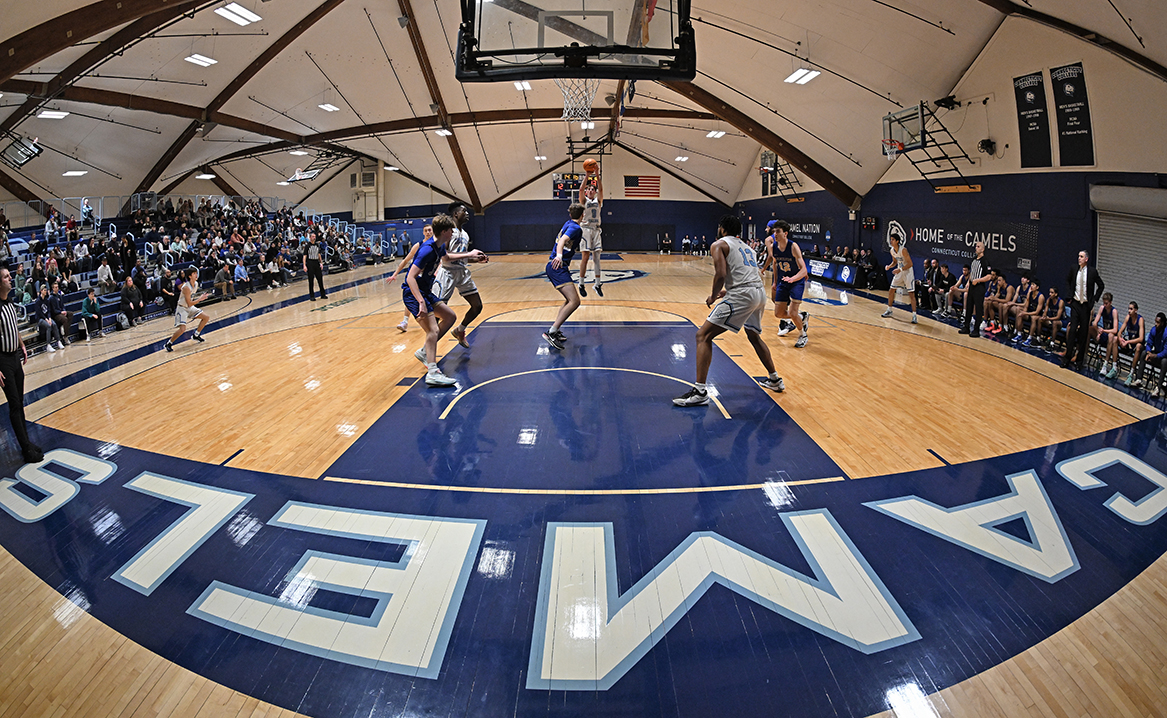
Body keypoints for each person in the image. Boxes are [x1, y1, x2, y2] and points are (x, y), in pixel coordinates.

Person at [674, 215, 784, 406]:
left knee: (703, 336)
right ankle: (774, 379)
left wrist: (713, 295)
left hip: (744, 295)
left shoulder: (719, 244)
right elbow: (748, 274)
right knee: (754, 336)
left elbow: (721, 274)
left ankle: (700, 391)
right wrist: (726, 292)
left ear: (722, 228)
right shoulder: (747, 248)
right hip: (759, 293)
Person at [403, 214, 462, 387]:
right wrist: (420, 301)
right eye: (451, 230)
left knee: (450, 316)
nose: (452, 233)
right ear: (444, 231)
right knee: (433, 330)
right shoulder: (427, 249)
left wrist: (471, 254)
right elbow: (410, 278)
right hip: (414, 293)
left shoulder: (439, 246)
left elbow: (447, 258)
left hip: (425, 291)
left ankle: (424, 352)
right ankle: (433, 372)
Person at [0, 268, 44, 464]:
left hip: (14, 356)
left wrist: (22, 343)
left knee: (20, 402)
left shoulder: (9, 301)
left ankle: (27, 442)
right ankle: (25, 449)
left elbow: (13, 327)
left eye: (10, 275)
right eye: (6, 277)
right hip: (2, 360)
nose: (10, 279)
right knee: (15, 404)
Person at [433, 202, 489, 349]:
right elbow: (444, 257)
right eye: (464, 211)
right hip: (447, 273)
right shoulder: (447, 232)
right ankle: (428, 349)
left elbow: (461, 257)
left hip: (462, 272)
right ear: (456, 214)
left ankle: (460, 330)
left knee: (477, 306)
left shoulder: (465, 234)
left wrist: (476, 259)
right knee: (439, 313)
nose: (467, 213)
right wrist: (469, 254)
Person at [541, 203, 585, 350]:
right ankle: (551, 332)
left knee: (569, 300)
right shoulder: (575, 227)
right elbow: (562, 241)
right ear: (582, 216)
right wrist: (559, 256)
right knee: (575, 301)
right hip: (557, 267)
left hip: (557, 267)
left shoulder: (568, 223)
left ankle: (556, 330)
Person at [763, 220, 809, 348]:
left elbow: (804, 270)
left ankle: (802, 335)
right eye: (774, 231)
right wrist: (775, 282)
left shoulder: (793, 247)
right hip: (783, 281)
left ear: (785, 234)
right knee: (778, 313)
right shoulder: (773, 247)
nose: (775, 234)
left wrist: (793, 279)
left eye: (778, 231)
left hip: (796, 281)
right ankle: (802, 316)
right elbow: (775, 264)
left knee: (792, 313)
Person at [1062, 250, 1105, 370]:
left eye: (1081, 257)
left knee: (1083, 333)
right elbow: (1067, 280)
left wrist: (1094, 299)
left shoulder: (1092, 272)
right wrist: (1069, 295)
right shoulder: (1073, 268)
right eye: (1078, 256)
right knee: (1072, 329)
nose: (1079, 258)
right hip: (1075, 303)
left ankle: (1079, 361)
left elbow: (1101, 285)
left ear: (1086, 259)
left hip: (1086, 306)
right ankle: (1067, 358)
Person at [386, 224, 430, 332]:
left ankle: (432, 319)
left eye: (430, 230)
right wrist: (395, 274)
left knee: (427, 298)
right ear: (423, 232)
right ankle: (405, 321)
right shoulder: (418, 246)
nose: (428, 232)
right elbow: (405, 260)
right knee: (412, 296)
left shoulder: (437, 246)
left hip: (427, 276)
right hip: (414, 276)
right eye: (426, 230)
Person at [165, 268, 210, 352]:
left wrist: (199, 299)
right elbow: (189, 303)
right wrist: (200, 299)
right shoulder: (186, 287)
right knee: (182, 329)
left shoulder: (196, 284)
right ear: (189, 276)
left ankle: (196, 335)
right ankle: (169, 343)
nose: (196, 275)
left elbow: (190, 303)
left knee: (206, 317)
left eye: (196, 273)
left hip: (189, 307)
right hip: (182, 308)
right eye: (194, 273)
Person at [881, 232, 917, 323]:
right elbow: (894, 262)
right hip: (900, 272)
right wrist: (889, 266)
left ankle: (914, 316)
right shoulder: (892, 250)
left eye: (893, 239)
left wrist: (900, 269)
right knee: (891, 290)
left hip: (908, 272)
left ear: (897, 241)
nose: (891, 241)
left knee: (911, 294)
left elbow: (910, 264)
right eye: (891, 239)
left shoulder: (903, 250)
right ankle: (889, 310)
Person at [576, 181, 605, 298]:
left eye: (593, 189)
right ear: (587, 192)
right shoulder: (584, 201)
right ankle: (581, 283)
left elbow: (601, 191)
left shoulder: (598, 201)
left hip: (596, 229)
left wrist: (597, 175)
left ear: (595, 192)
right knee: (586, 257)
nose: (591, 191)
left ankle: (597, 284)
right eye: (589, 189)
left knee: (597, 258)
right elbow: (580, 190)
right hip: (586, 230)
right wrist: (587, 175)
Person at [959, 242, 991, 337]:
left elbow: (989, 276)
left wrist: (978, 280)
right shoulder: (973, 260)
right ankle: (966, 326)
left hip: (979, 287)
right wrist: (969, 282)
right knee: (969, 306)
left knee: (978, 308)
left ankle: (976, 329)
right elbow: (972, 273)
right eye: (976, 246)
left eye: (978, 247)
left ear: (983, 249)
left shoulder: (985, 261)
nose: (976, 248)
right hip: (972, 286)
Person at [1129, 312, 1167, 395]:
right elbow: (1149, 344)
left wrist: (1156, 356)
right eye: (1155, 322)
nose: (1155, 324)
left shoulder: (1166, 333)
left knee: (1165, 361)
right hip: (1155, 354)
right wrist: (1149, 352)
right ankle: (1139, 380)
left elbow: (1165, 351)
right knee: (1143, 353)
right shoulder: (1153, 330)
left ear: (1163, 323)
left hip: (1163, 357)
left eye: (1158, 322)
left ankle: (1158, 388)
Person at [1088, 292, 1119, 375]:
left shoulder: (1114, 311)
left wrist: (1103, 331)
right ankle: (1083, 354)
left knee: (1111, 336)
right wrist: (1098, 331)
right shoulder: (1102, 308)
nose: (1105, 305)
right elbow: (1095, 323)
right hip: (1103, 333)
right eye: (1104, 303)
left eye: (1106, 303)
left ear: (1111, 302)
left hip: (1110, 335)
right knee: (1090, 329)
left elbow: (1115, 330)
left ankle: (1105, 364)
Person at [1114, 301, 1145, 382]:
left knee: (1138, 346)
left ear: (1136, 310)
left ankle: (1131, 373)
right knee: (1114, 339)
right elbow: (1119, 332)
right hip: (1129, 344)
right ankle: (1114, 367)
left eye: (1131, 309)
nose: (1129, 311)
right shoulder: (1128, 317)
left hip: (1137, 345)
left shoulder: (1140, 319)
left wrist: (1128, 342)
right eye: (1128, 309)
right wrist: (1120, 339)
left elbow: (1141, 338)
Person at [1026, 285, 1064, 350]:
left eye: (1052, 293)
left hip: (1061, 321)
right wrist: (1044, 316)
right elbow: (1045, 311)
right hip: (1051, 319)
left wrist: (1048, 318)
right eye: (1049, 292)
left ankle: (1052, 344)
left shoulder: (1061, 302)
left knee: (1055, 323)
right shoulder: (1049, 300)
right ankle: (1038, 339)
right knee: (1040, 319)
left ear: (1056, 294)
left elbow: (1058, 317)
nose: (1050, 294)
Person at [35, 286, 63, 352]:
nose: (46, 291)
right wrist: (46, 319)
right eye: (44, 290)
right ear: (41, 291)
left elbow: (49, 311)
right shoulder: (37, 301)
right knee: (48, 326)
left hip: (47, 318)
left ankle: (58, 341)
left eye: (46, 290)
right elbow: (39, 313)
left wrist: (49, 318)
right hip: (40, 319)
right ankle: (48, 345)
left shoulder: (47, 300)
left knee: (54, 324)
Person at [303, 232, 327, 301]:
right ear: (310, 237)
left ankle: (323, 294)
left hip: (316, 262)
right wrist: (304, 265)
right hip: (310, 263)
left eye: (315, 236)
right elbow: (304, 256)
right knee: (311, 280)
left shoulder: (317, 245)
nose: (314, 237)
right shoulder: (307, 246)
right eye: (313, 236)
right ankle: (312, 296)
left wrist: (321, 262)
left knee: (320, 279)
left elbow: (319, 254)